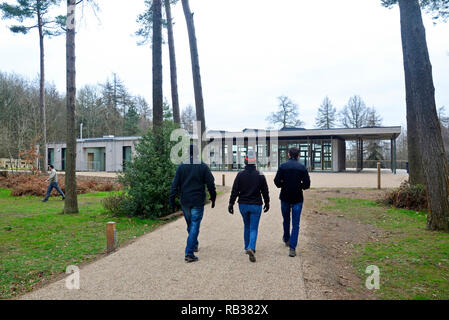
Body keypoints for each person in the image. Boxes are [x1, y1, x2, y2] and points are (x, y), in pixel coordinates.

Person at [169, 145, 217, 263]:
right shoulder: (203, 167)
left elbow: (174, 185)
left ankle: (194, 244)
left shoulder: (181, 167)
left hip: (185, 200)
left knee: (191, 224)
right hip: (197, 200)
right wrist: (213, 197)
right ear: (197, 154)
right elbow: (210, 183)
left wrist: (172, 200)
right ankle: (189, 253)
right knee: (194, 225)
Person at [228, 150, 270, 263]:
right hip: (256, 205)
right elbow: (265, 191)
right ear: (255, 162)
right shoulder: (260, 174)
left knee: (247, 225)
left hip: (243, 204)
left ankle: (247, 247)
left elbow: (235, 190)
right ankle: (251, 247)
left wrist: (231, 203)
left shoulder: (240, 174)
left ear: (245, 162)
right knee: (253, 228)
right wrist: (267, 202)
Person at [274, 147, 310, 257]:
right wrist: (300, 186)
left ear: (288, 155)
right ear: (298, 155)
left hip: (285, 196)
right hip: (297, 197)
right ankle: (292, 248)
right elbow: (307, 184)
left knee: (286, 219)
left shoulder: (283, 166)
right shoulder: (302, 167)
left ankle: (286, 238)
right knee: (296, 224)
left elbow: (276, 181)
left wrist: (282, 185)